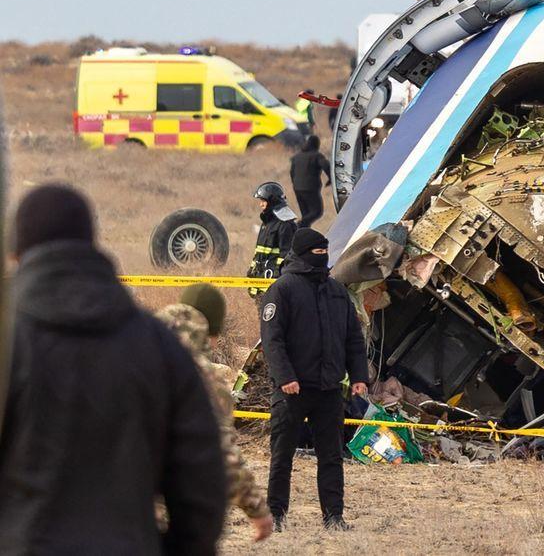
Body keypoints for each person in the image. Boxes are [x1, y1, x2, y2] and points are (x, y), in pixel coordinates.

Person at [0, 184, 226, 553]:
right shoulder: (160, 348)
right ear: (92, 242)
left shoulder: (7, 345)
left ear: (15, 252)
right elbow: (201, 484)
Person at [261, 228, 370, 531]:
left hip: (329, 391)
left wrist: (359, 376)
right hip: (292, 391)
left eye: (325, 253)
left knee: (331, 457)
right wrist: (285, 377)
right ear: (301, 253)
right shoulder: (283, 289)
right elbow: (272, 340)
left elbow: (353, 340)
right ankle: (276, 515)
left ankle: (333, 517)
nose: (321, 258)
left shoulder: (337, 292)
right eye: (316, 253)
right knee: (282, 457)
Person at [158, 283, 274, 543]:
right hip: (176, 515)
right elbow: (222, 453)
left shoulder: (127, 354)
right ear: (210, 331)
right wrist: (255, 508)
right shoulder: (203, 378)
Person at [247, 181, 299, 291]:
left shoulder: (285, 224)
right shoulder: (266, 222)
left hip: (273, 279)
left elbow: (287, 254)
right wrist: (252, 269)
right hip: (261, 276)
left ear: (272, 201)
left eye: (263, 201)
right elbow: (259, 251)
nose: (260, 204)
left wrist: (277, 273)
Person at [290, 136, 333, 227]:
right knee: (317, 211)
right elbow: (326, 165)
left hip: (297, 189)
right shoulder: (316, 156)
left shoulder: (297, 157)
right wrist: (331, 178)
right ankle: (298, 226)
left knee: (306, 216)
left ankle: (303, 235)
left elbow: (292, 172)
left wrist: (295, 184)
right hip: (310, 188)